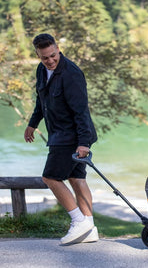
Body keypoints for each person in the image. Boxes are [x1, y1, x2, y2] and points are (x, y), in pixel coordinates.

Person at [24, 33, 98, 245]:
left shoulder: (71, 73)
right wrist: (32, 123)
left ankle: (78, 221)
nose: (50, 60)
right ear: (38, 55)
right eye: (45, 57)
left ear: (58, 48)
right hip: (59, 134)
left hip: (71, 136)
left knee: (50, 177)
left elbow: (81, 110)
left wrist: (84, 142)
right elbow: (42, 101)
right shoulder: (42, 70)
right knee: (76, 179)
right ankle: (90, 228)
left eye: (53, 55)